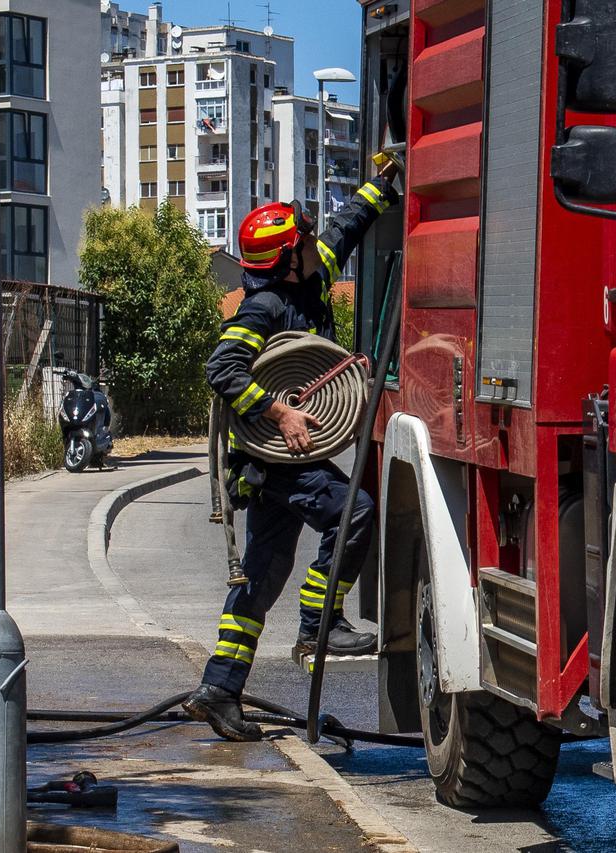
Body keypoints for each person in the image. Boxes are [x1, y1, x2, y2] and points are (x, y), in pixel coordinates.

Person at [183, 157, 400, 742]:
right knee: (353, 512)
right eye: (302, 240)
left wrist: (384, 183)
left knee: (260, 579)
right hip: (271, 457)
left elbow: (346, 227)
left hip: (271, 466)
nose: (312, 244)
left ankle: (219, 690)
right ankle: (318, 623)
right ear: (286, 258)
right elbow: (222, 367)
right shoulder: (265, 307)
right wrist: (280, 410)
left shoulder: (310, 273)